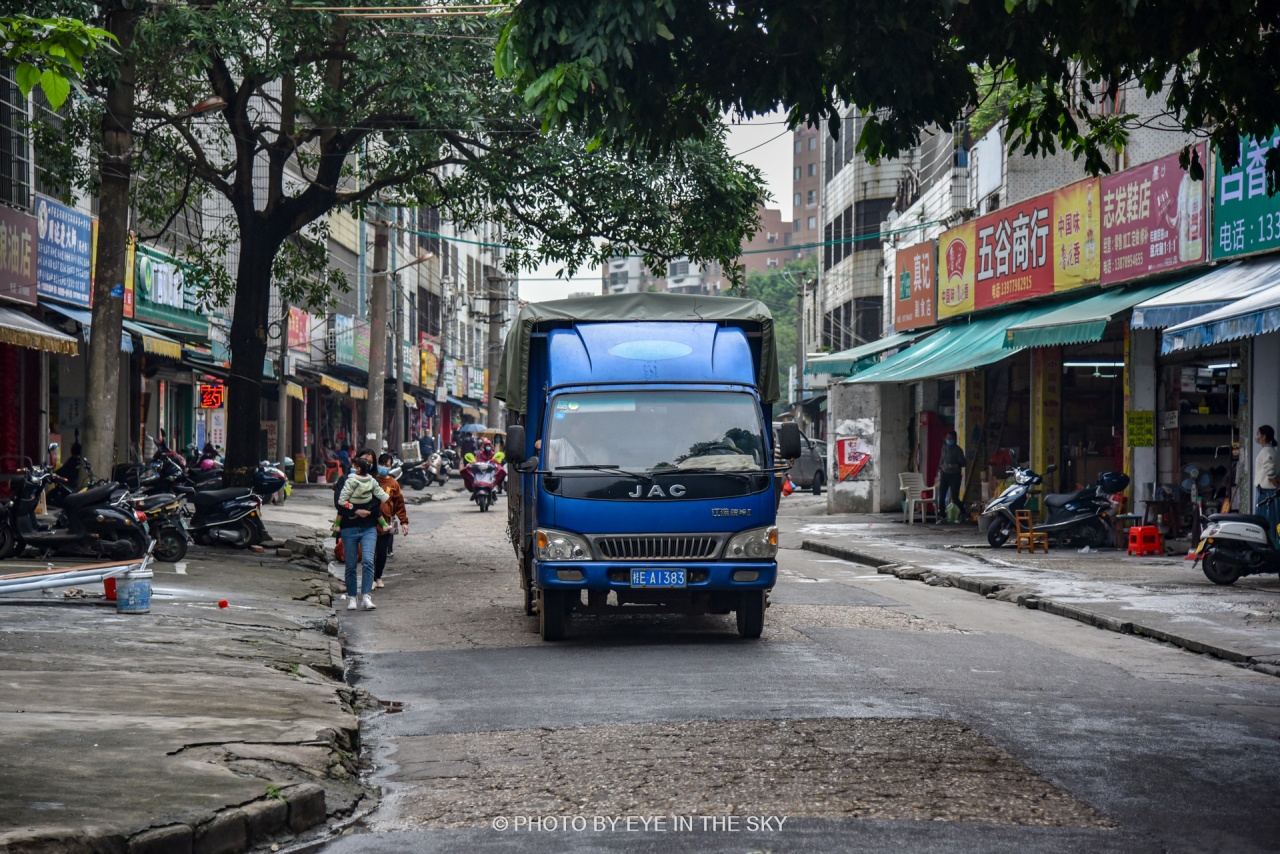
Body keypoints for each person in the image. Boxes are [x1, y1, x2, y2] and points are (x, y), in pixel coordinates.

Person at [335, 451, 388, 611]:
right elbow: (339, 503)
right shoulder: (344, 480)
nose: (366, 463)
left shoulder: (373, 481)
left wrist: (364, 510)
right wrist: (356, 511)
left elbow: (377, 501)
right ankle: (352, 597)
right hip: (348, 528)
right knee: (351, 564)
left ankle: (366, 596)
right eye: (364, 460)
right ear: (355, 463)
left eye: (370, 461)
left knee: (368, 561)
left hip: (369, 527)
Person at [374, 452, 410, 588]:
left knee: (382, 552)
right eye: (381, 464)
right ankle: (371, 578)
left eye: (386, 465)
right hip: (371, 523)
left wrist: (404, 522)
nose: (383, 467)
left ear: (390, 466)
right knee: (370, 553)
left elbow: (399, 504)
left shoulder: (393, 484)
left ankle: (378, 577)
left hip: (387, 522)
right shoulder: (371, 480)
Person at [936, 430, 965, 522]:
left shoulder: (958, 450)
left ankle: (964, 512)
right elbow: (942, 460)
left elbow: (964, 463)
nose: (948, 440)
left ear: (955, 439)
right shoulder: (944, 448)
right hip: (945, 474)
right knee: (941, 496)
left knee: (955, 498)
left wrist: (955, 465)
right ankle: (943, 516)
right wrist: (940, 470)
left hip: (955, 476)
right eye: (947, 438)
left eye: (950, 438)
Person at [1255, 424, 1279, 535]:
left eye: (1258, 434)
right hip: (1267, 492)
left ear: (1264, 437)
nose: (1257, 436)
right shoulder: (1269, 450)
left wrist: (1276, 484)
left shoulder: (1267, 452)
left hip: (1267, 493)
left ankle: (1269, 546)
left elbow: (1270, 471)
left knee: (1265, 522)